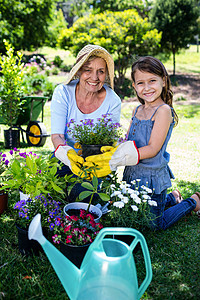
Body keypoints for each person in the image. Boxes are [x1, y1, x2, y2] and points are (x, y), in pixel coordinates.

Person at [84, 56, 200, 230]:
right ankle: (173, 197)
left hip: (152, 179)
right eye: (140, 83)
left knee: (153, 225)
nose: (146, 88)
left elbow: (153, 148)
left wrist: (122, 156)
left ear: (163, 80)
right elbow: (129, 139)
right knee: (132, 214)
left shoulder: (163, 111)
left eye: (152, 81)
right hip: (132, 174)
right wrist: (114, 146)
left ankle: (192, 201)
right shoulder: (137, 109)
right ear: (134, 86)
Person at [51, 44, 121, 178]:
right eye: (88, 70)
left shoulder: (113, 101)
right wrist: (69, 156)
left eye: (100, 71)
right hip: (66, 159)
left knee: (90, 194)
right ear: (78, 71)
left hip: (96, 163)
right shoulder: (63, 92)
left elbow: (109, 142)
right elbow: (57, 136)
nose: (94, 77)